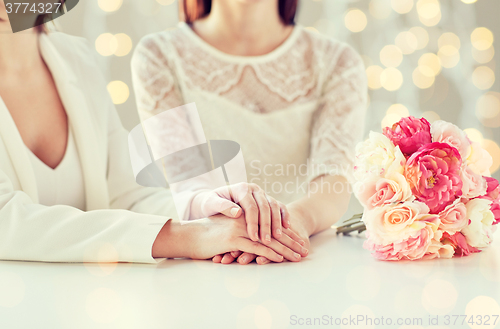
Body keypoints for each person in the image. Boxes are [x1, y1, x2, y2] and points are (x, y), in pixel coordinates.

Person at [0, 0, 303, 264]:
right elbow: (6, 221)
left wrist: (210, 209)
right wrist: (189, 238)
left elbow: (126, 197)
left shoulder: (77, 60)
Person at [132, 0, 368, 265]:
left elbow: (334, 183)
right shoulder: (159, 55)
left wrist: (289, 224)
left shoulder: (337, 62)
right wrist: (227, 226)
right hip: (207, 263)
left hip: (304, 259)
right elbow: (187, 183)